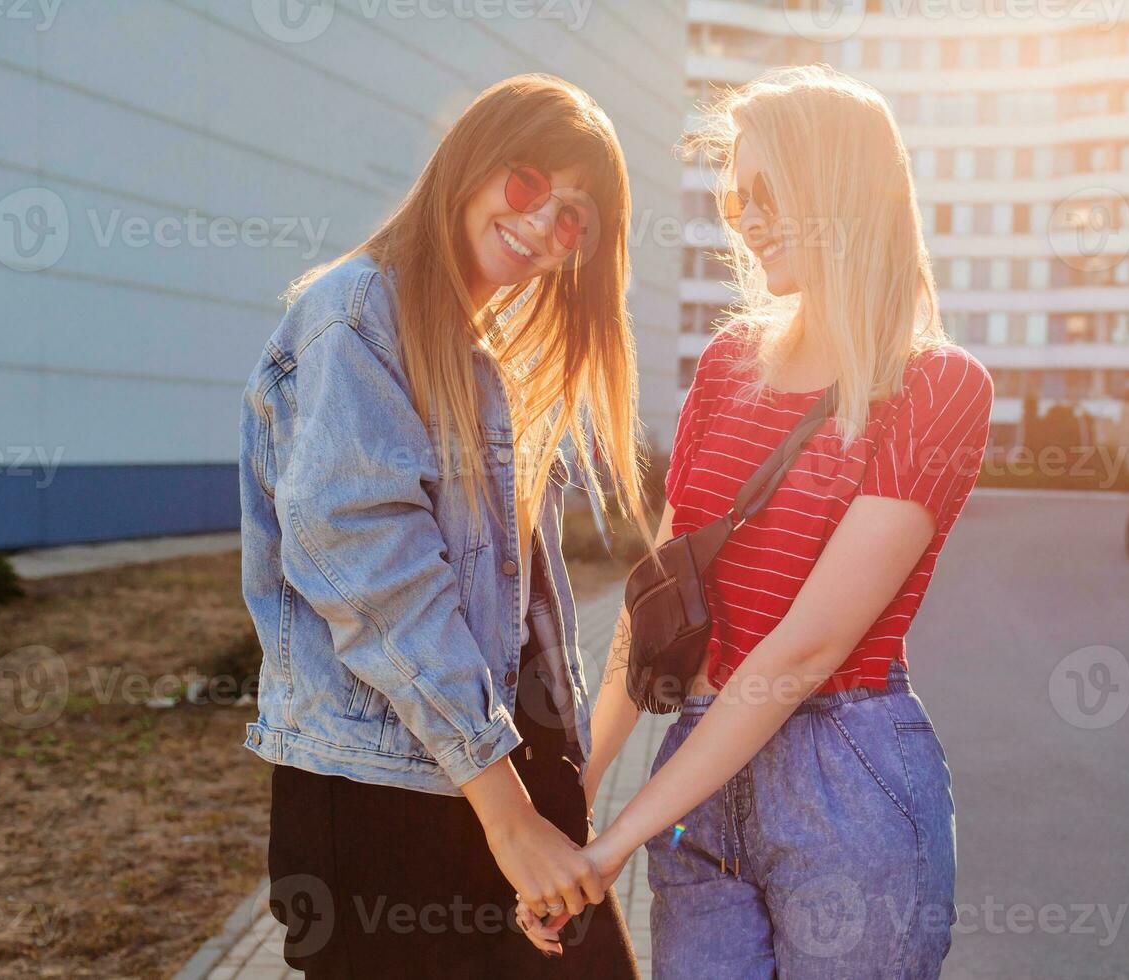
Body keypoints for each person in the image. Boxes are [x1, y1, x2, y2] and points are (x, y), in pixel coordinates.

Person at [521, 66, 993, 978]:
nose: (744, 216)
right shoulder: (728, 362)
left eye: (769, 191)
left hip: (843, 774)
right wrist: (570, 813)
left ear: (843, 190)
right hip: (697, 769)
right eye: (737, 195)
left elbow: (801, 654)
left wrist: (613, 842)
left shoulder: (936, 386)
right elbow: (653, 608)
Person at [238, 74, 648, 978]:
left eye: (575, 216)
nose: (546, 225)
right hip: (390, 809)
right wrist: (510, 819)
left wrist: (550, 794)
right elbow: (381, 583)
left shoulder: (473, 354)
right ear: (469, 163)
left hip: (494, 788)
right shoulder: (354, 320)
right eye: (530, 183)